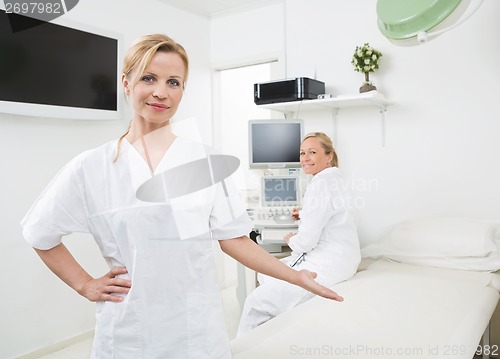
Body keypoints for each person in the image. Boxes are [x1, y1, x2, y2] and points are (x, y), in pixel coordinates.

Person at [20, 34, 343, 359]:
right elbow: (40, 231)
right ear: (126, 82)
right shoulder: (92, 167)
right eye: (149, 78)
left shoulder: (204, 161)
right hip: (128, 331)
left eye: (173, 82)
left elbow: (235, 240)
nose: (161, 91)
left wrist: (296, 276)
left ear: (182, 91)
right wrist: (84, 284)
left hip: (195, 331)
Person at [237, 132, 361, 337]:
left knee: (254, 303)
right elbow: (330, 215)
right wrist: (304, 214)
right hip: (344, 260)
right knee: (266, 273)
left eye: (312, 152)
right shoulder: (335, 180)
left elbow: (305, 243)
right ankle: (278, 326)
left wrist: (291, 240)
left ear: (329, 156)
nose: (305, 158)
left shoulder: (320, 184)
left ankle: (241, 351)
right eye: (302, 153)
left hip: (327, 265)